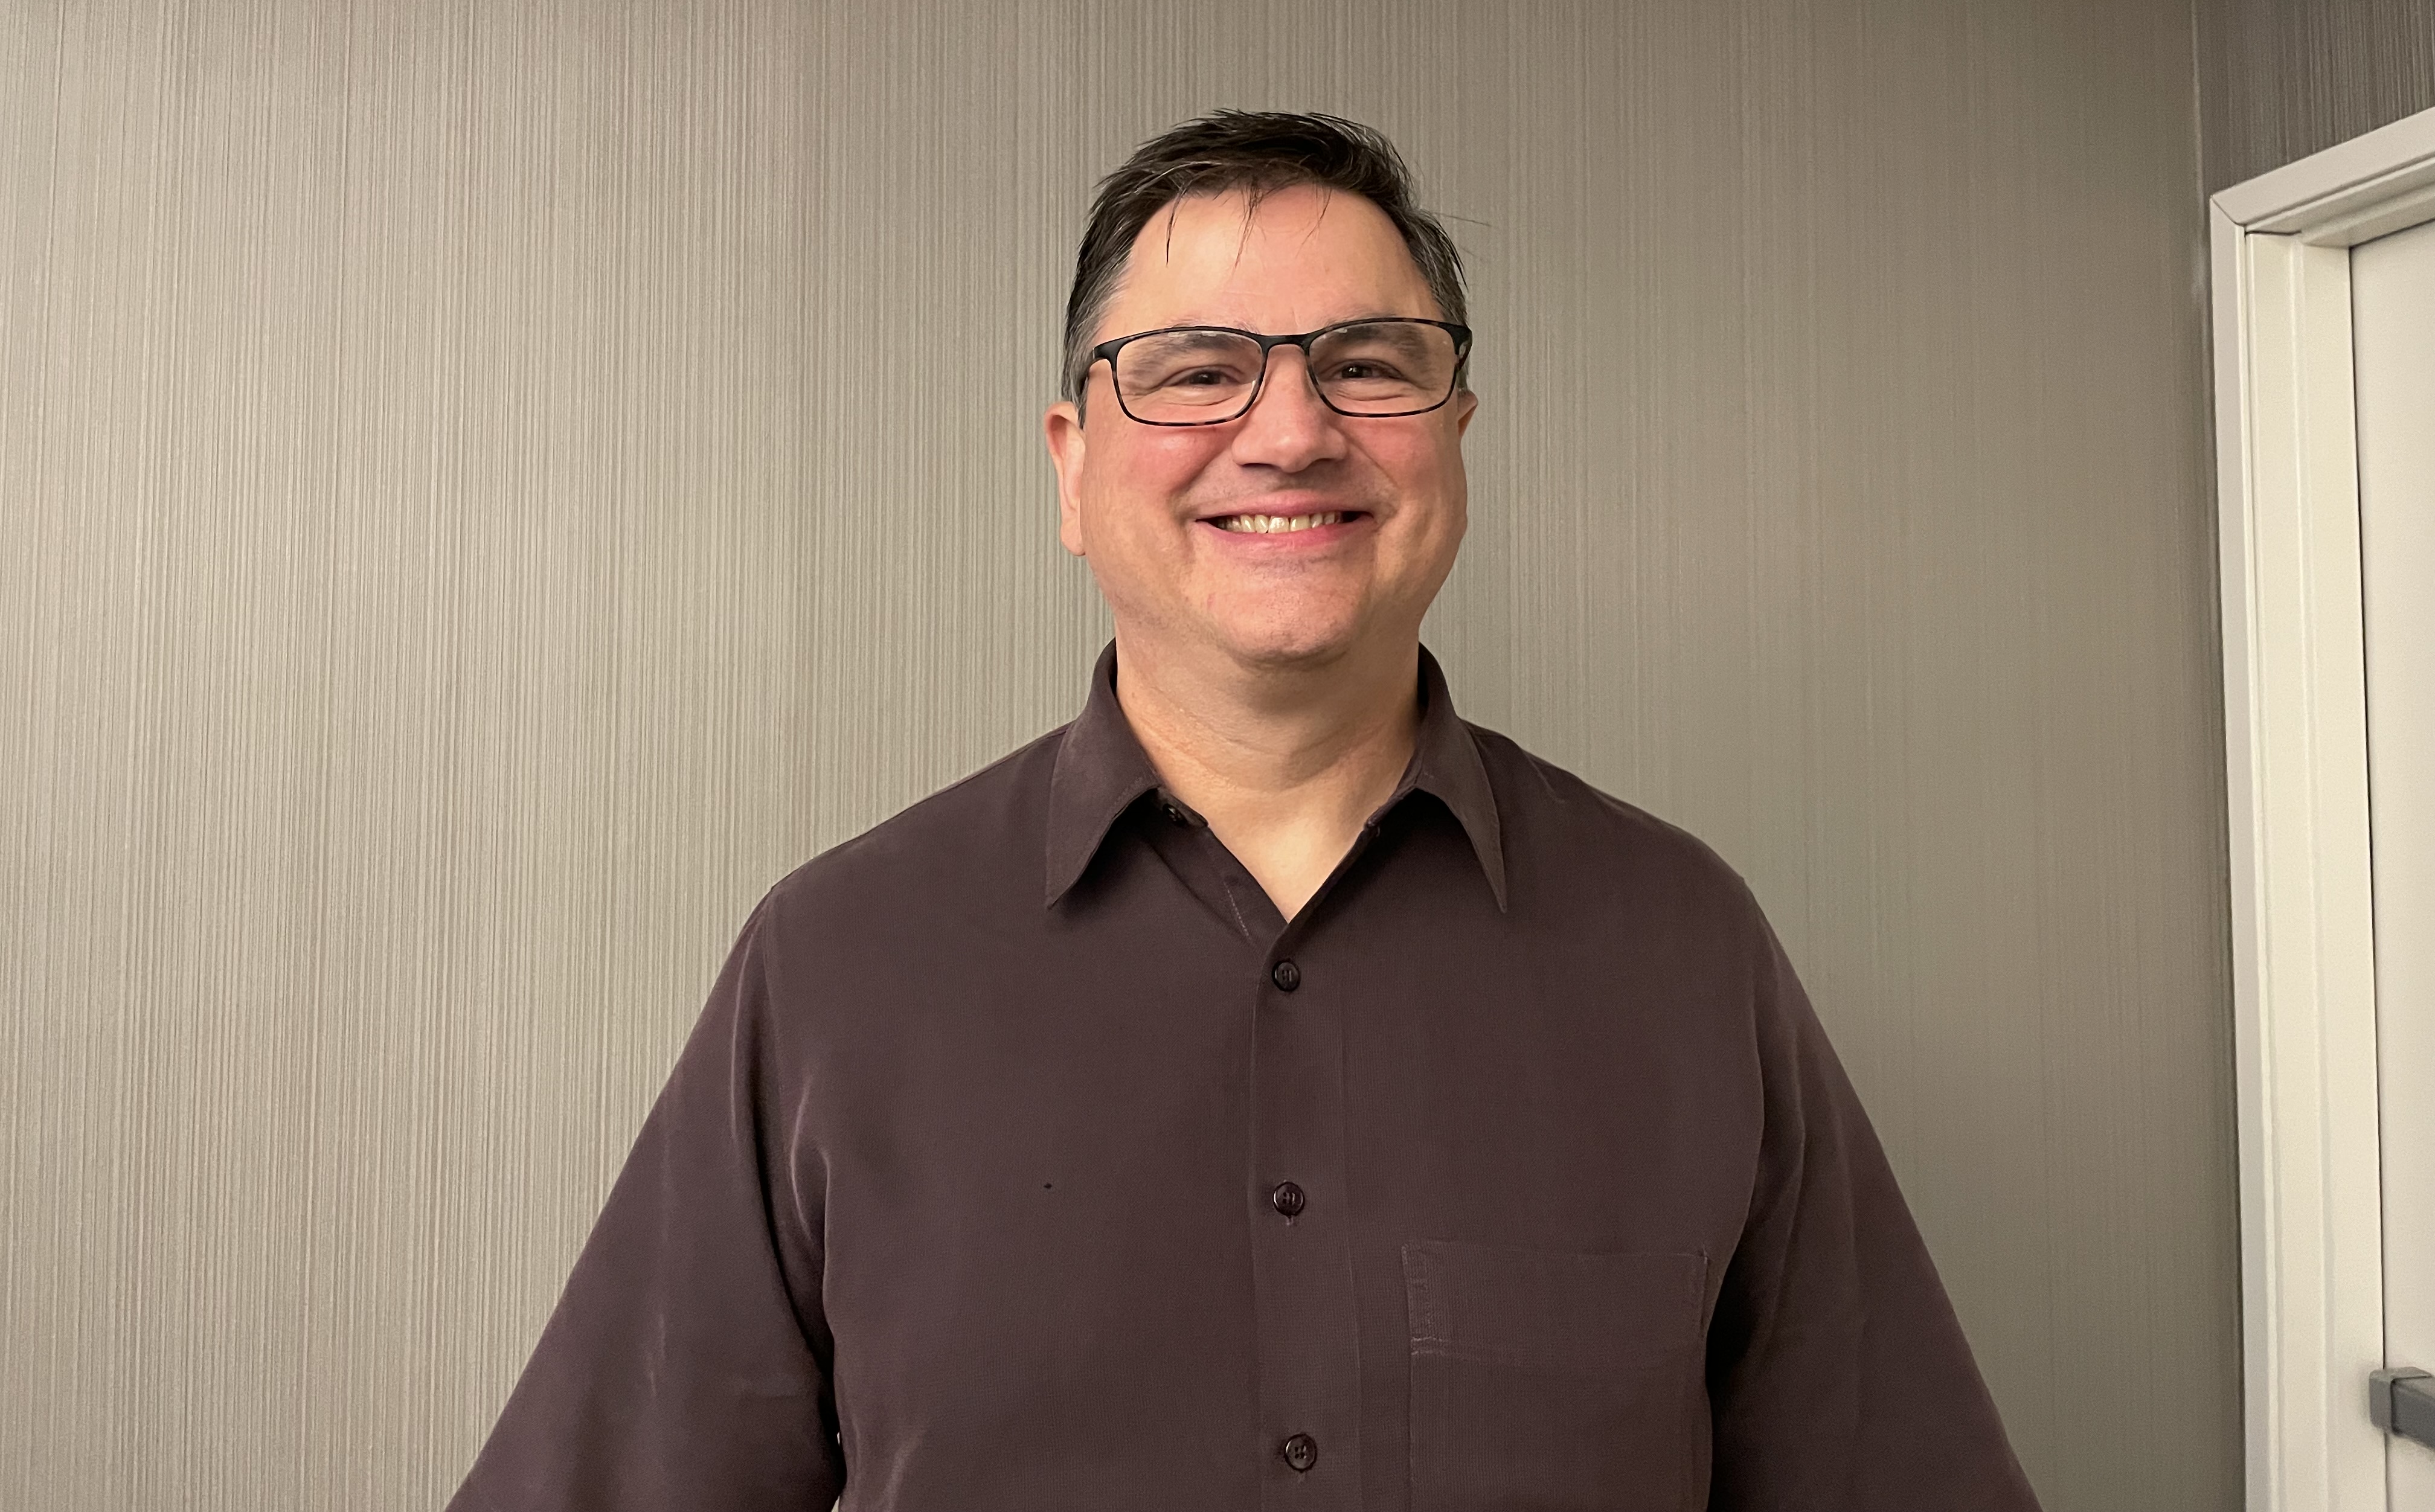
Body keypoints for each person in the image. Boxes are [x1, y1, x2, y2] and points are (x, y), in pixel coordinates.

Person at [447, 111, 2042, 1511]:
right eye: (1197, 373)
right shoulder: (840, 965)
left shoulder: (1683, 945)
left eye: (1367, 364)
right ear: (1072, 469)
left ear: (1455, 443)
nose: (1290, 430)